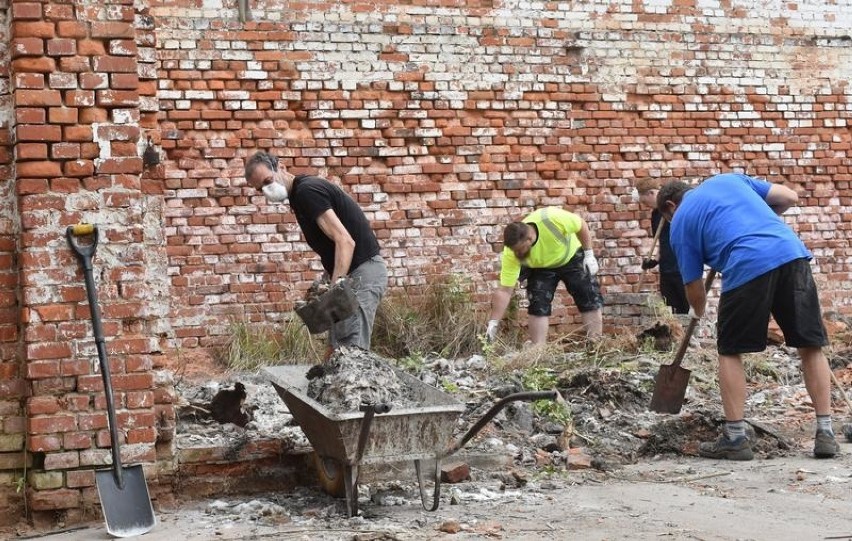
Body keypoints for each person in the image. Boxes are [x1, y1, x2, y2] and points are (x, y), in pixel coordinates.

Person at [657, 173, 839, 460]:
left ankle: (735, 438)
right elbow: (789, 197)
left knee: (730, 350)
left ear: (670, 206)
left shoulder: (679, 222)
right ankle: (826, 432)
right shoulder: (729, 180)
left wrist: (697, 311)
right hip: (790, 253)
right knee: (810, 345)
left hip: (747, 263)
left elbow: (693, 285)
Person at [244, 151, 388, 351]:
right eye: (261, 189)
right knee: (337, 348)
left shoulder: (307, 191)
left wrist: (333, 292)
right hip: (353, 273)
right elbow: (333, 246)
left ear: (281, 167)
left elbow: (345, 241)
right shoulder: (299, 195)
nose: (267, 190)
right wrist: (324, 284)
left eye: (268, 181)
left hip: (362, 273)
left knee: (351, 350)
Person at [485, 207, 603, 344]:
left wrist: (589, 254)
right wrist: (493, 323)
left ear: (529, 238)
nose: (517, 254)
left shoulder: (551, 218)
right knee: (538, 304)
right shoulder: (511, 252)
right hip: (540, 268)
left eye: (520, 249)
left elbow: (581, 224)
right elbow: (505, 290)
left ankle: (595, 344)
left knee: (588, 295)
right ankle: (538, 351)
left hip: (570, 257)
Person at [635, 178, 688, 314]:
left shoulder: (675, 208)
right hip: (666, 269)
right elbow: (661, 241)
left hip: (682, 266)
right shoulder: (655, 215)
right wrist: (655, 260)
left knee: (687, 307)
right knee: (672, 309)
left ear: (652, 193)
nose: (645, 206)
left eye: (645, 202)